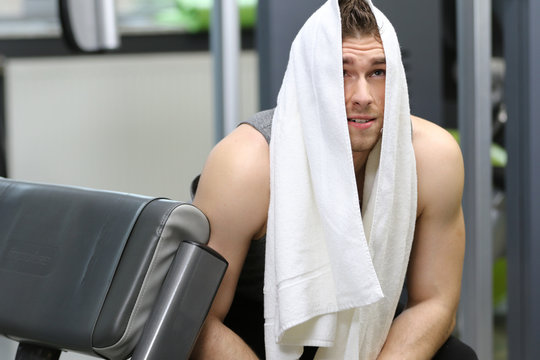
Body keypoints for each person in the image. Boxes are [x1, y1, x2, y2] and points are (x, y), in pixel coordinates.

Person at [190, 0, 476, 359]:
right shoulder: (247, 163)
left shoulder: (433, 158)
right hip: (260, 333)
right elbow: (196, 320)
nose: (362, 97)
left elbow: (436, 302)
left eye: (377, 72)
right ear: (309, 78)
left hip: (366, 326)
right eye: (341, 72)